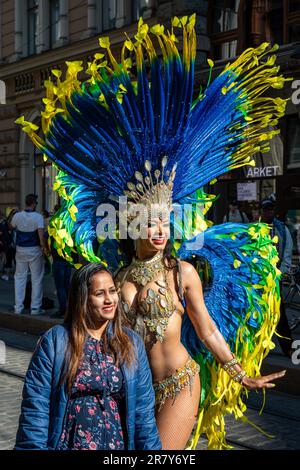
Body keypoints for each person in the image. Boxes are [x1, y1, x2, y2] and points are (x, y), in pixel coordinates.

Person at [16, 14, 289, 449]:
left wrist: (239, 373)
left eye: (165, 222)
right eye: (150, 222)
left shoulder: (183, 272)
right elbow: (96, 336)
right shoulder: (117, 280)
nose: (160, 230)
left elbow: (207, 328)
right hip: (135, 393)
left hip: (181, 380)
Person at [15, 263, 161, 450]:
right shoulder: (55, 341)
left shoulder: (131, 342)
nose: (109, 299)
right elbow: (36, 409)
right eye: (99, 294)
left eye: (112, 291)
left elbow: (143, 413)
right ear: (82, 299)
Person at [261, 198, 294, 357]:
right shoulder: (256, 228)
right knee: (259, 312)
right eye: (266, 209)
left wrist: (281, 272)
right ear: (262, 211)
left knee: (279, 313)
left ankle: (288, 347)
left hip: (275, 277)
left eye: (271, 209)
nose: (269, 212)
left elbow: (287, 251)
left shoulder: (282, 229)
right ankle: (261, 347)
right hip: (259, 277)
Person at [10, 194, 49, 315]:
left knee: (19, 278)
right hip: (34, 250)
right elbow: (41, 236)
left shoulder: (17, 216)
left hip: (21, 249)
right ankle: (35, 308)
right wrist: (45, 249)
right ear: (34, 203)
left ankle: (18, 307)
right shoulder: (38, 217)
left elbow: (11, 226)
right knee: (36, 278)